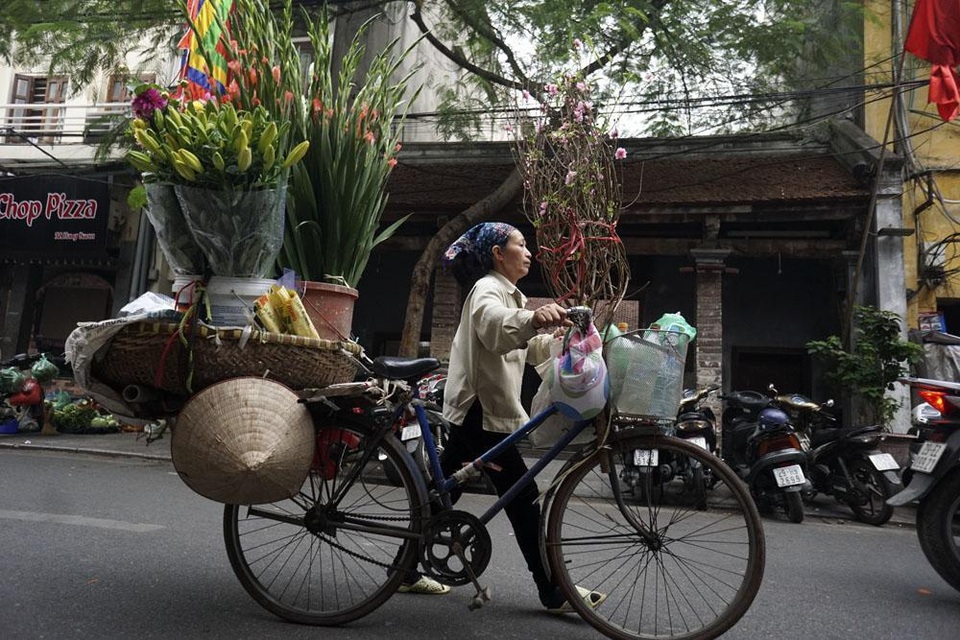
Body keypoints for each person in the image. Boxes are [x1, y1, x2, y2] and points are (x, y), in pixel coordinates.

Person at [439, 222, 605, 613]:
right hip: (480, 411)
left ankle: (405, 569)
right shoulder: (487, 289)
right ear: (498, 253)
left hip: (483, 411)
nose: (529, 252)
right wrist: (534, 318)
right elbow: (497, 327)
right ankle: (552, 589)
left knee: (444, 491)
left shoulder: (511, 294)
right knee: (523, 497)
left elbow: (530, 347)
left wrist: (565, 337)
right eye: (521, 244)